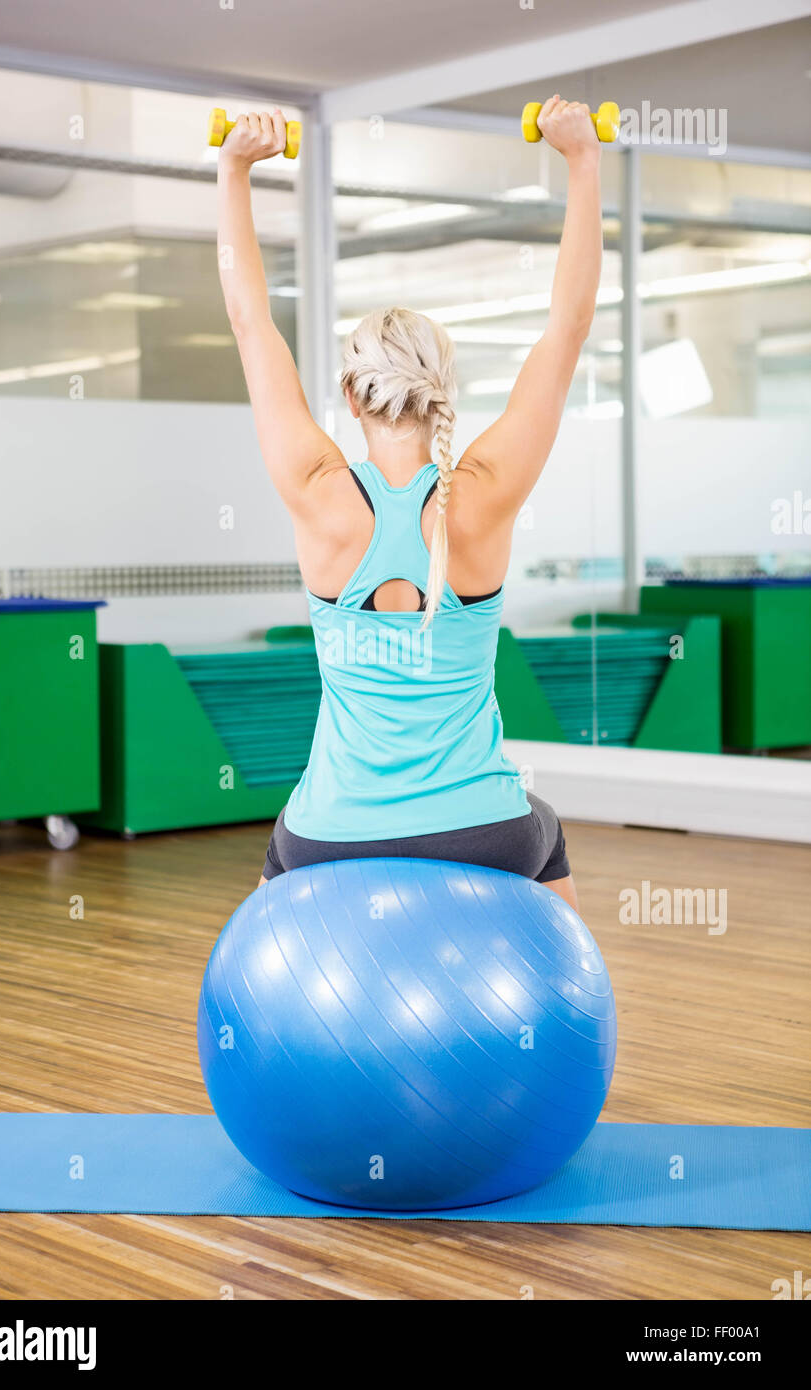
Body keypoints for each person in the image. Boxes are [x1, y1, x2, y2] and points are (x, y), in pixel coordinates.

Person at [216, 96, 603, 910]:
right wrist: (581, 158)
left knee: (274, 871)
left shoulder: (319, 494)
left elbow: (253, 327)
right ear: (443, 394)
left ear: (350, 397)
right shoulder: (484, 495)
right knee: (547, 830)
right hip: (483, 826)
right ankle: (578, 1030)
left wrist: (234, 169)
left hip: (332, 831)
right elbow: (566, 332)